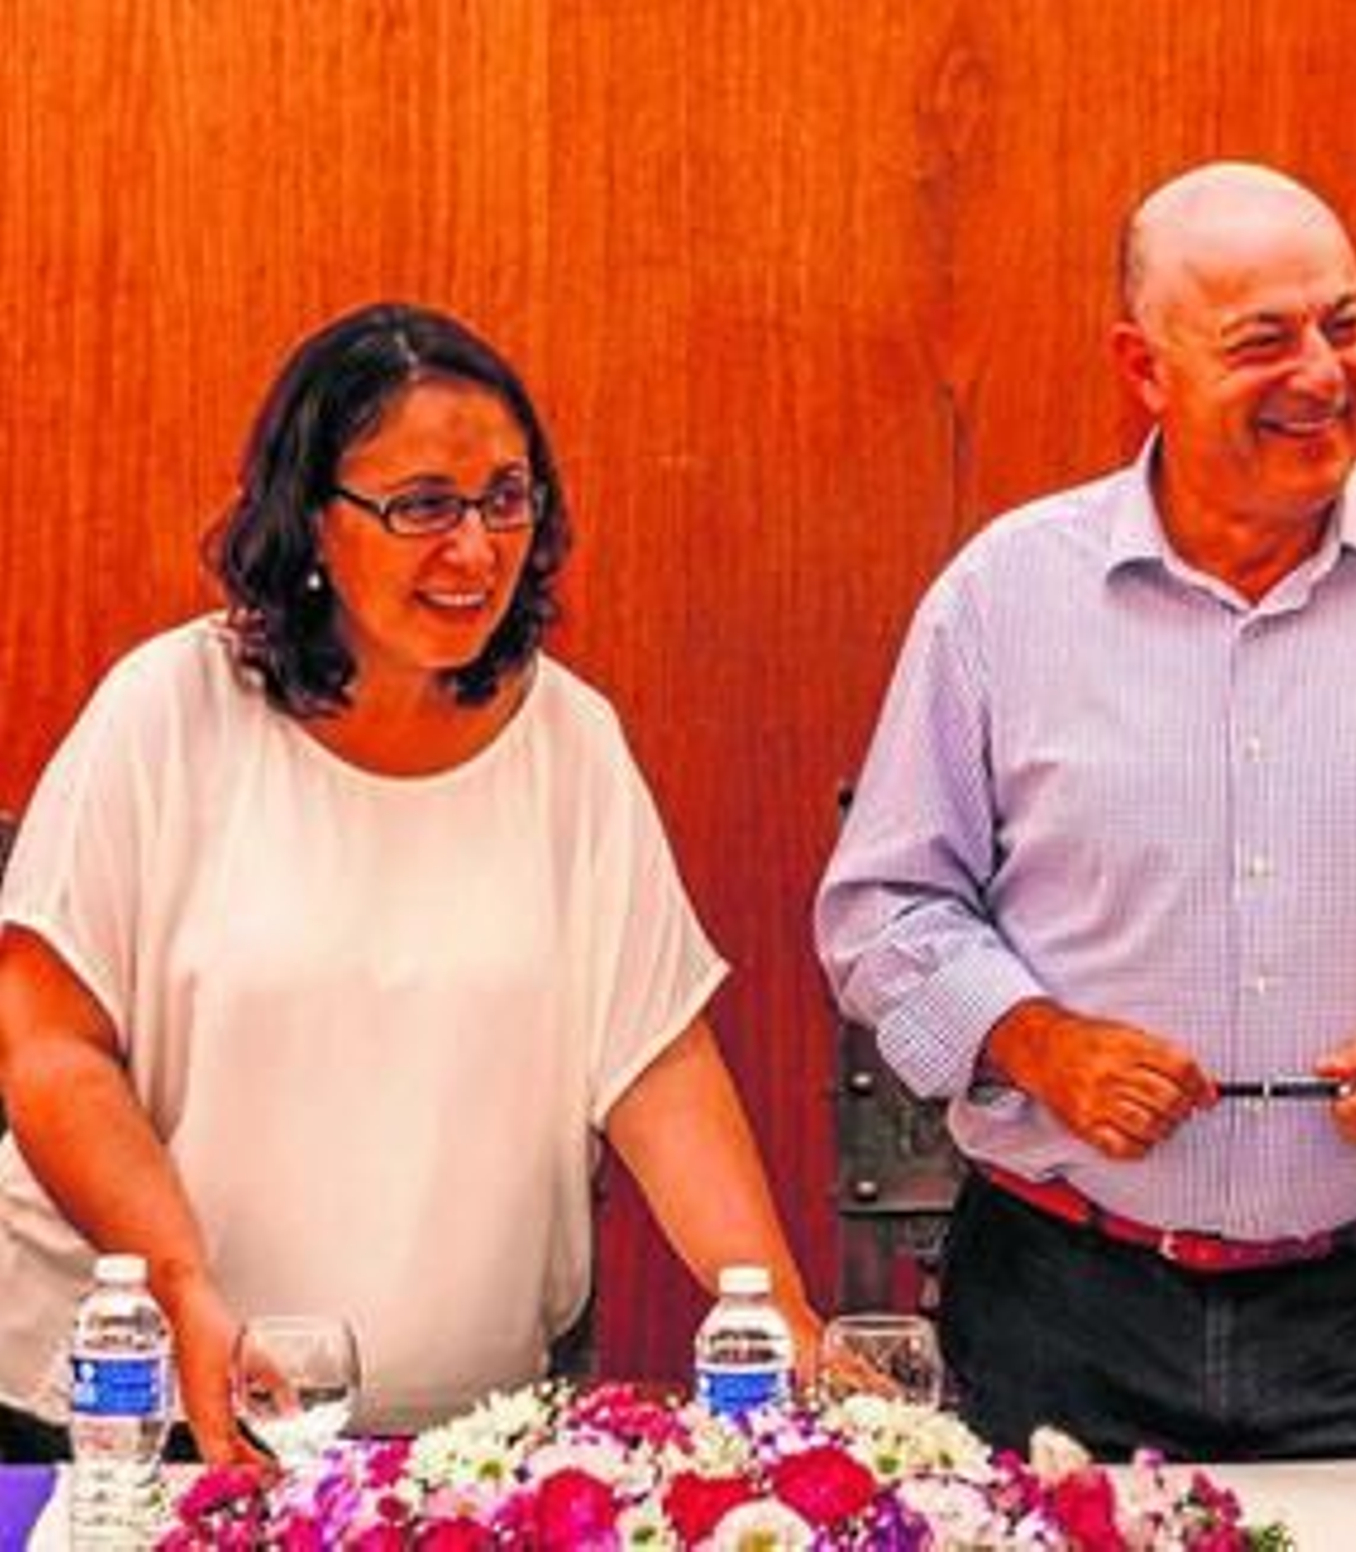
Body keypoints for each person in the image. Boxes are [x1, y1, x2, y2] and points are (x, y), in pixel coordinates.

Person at [816, 162, 1356, 1462]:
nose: (1322, 373)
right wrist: (1030, 1037)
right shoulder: (1006, 596)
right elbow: (882, 909)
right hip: (1057, 1310)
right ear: (1144, 367)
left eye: (1343, 325)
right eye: (1263, 341)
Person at [0, 301, 819, 1463]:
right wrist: (180, 1284)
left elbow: (655, 1061)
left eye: (506, 499)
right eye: (424, 506)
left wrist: (770, 1307)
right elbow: (48, 1041)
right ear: (312, 522)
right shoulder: (168, 712)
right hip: (143, 1408)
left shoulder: (570, 741)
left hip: (458, 1433)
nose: (478, 549)